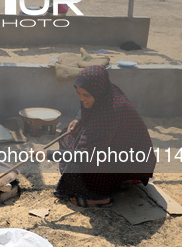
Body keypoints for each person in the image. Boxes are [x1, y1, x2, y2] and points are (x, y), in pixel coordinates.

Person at [49, 65, 156, 208]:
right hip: (119, 150)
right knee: (66, 136)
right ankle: (119, 181)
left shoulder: (109, 113)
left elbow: (86, 155)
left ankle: (99, 197)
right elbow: (86, 109)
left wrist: (48, 154)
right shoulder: (107, 91)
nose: (81, 99)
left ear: (98, 91)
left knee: (88, 163)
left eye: (86, 95)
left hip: (135, 161)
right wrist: (78, 120)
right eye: (79, 93)